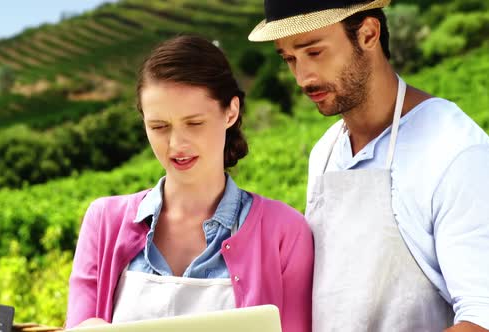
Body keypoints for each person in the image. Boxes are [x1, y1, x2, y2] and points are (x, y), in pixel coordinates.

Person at [249, 1, 489, 331]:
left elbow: (486, 322)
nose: (302, 78)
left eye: (315, 52)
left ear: (368, 33)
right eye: (290, 59)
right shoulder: (326, 151)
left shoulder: (460, 155)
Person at [65, 35, 313, 332]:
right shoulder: (104, 222)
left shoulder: (284, 232)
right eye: (159, 127)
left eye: (194, 123)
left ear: (230, 112)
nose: (176, 144)